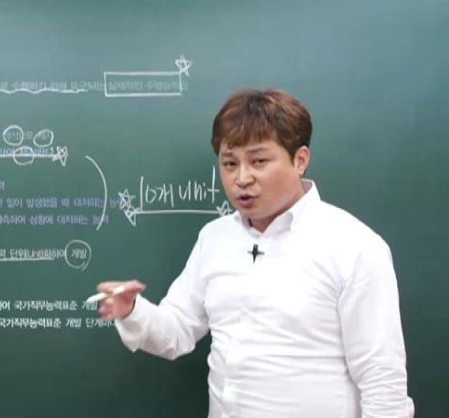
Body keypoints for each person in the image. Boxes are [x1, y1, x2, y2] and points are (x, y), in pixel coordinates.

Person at [96, 89, 414, 417]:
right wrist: (132, 310)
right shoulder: (215, 238)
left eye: (258, 161)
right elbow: (177, 331)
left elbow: (381, 379)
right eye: (229, 163)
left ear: (300, 160)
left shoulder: (354, 246)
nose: (242, 178)